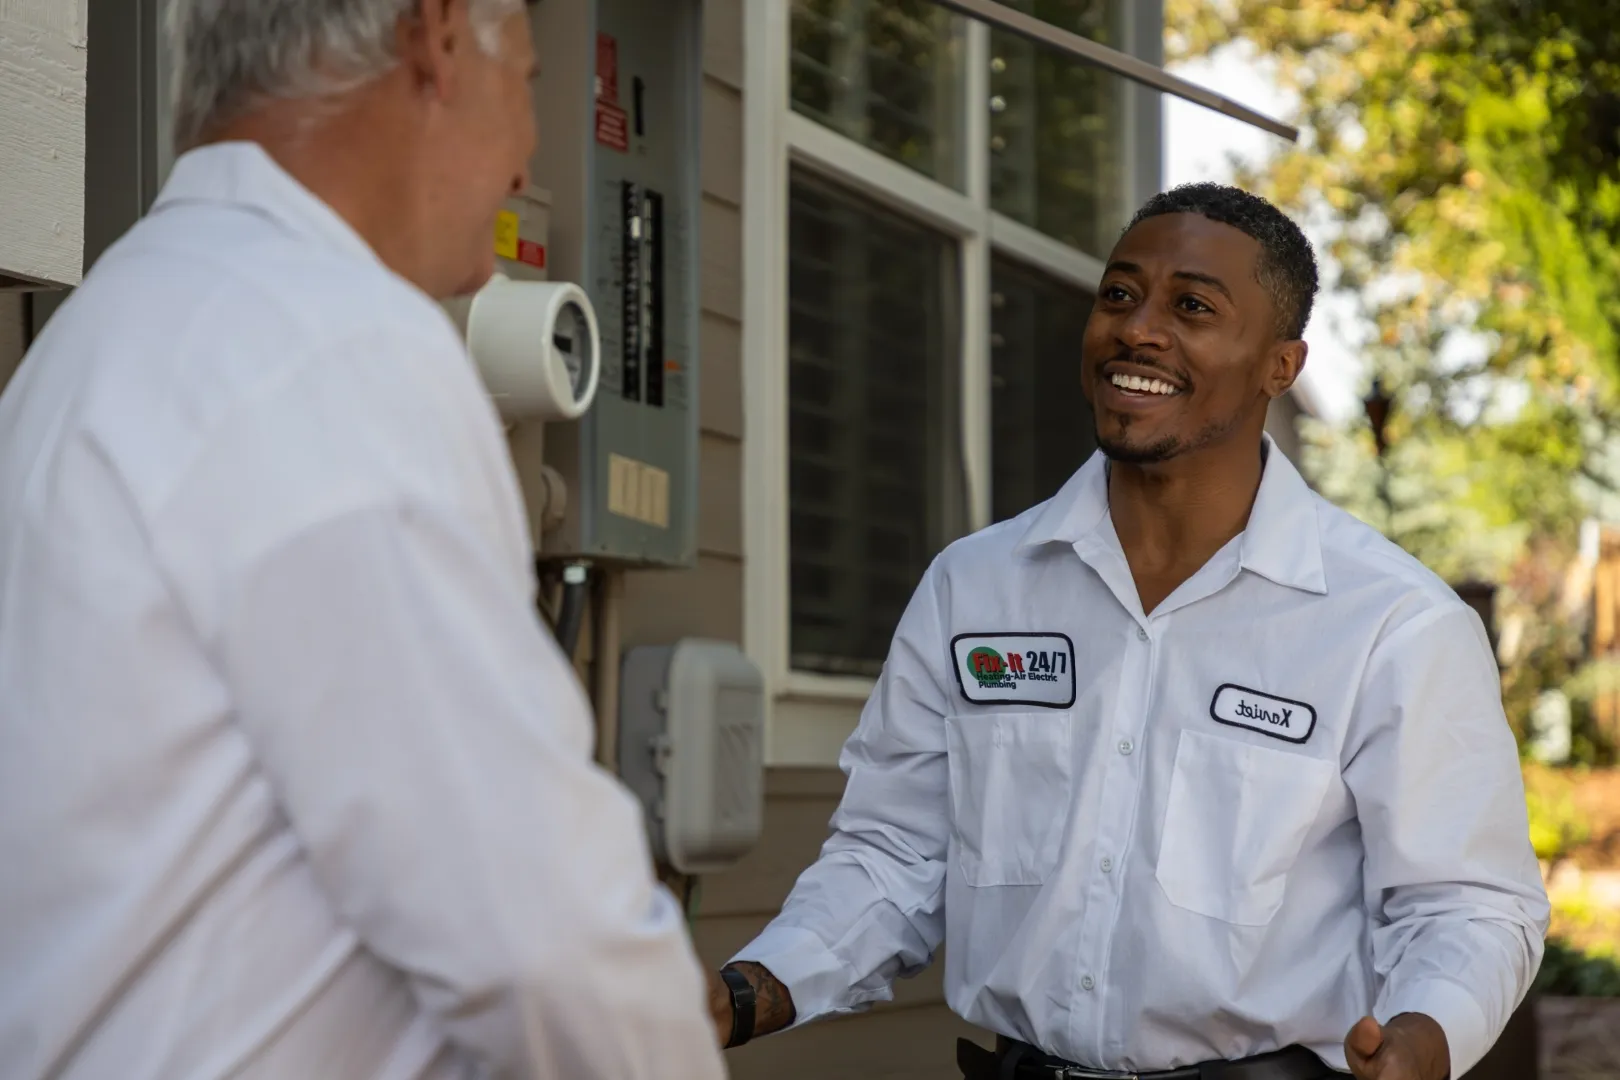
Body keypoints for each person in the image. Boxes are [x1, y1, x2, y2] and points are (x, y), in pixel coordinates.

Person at [0, 2, 724, 1078]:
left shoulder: (93, 342)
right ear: (434, 35)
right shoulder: (334, 344)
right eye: (526, 79)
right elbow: (542, 939)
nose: (529, 148)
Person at [707, 183, 1549, 1080]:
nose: (1137, 329)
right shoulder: (976, 590)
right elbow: (896, 856)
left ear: (1281, 365)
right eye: (1119, 295)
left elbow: (1470, 905)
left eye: (1191, 306)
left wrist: (1425, 1037)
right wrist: (752, 989)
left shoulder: (1392, 624)